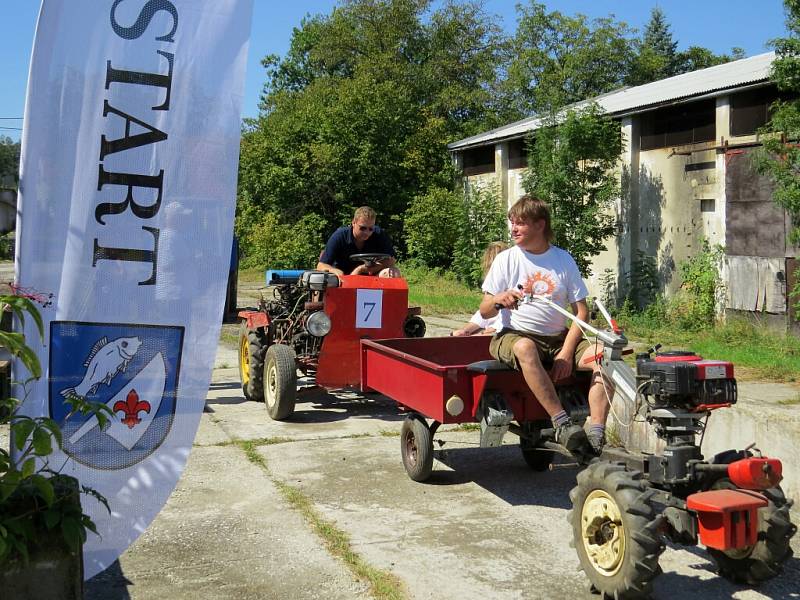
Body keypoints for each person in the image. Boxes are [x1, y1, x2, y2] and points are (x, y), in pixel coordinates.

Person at [479, 196, 613, 458]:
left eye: (520, 223)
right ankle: (561, 423)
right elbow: (484, 310)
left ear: (540, 225)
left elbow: (581, 312)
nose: (513, 229)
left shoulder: (563, 260)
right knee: (526, 347)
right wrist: (497, 300)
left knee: (606, 357)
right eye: (512, 223)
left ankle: (597, 433)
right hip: (513, 335)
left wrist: (566, 352)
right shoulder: (506, 259)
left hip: (557, 338)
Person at [316, 206, 400, 277]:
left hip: (371, 274)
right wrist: (333, 270)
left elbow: (390, 260)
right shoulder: (340, 236)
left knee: (393, 273)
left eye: (371, 229)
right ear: (353, 223)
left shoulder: (379, 234)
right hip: (342, 278)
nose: (367, 232)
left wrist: (360, 269)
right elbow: (321, 265)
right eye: (362, 228)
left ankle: (385, 297)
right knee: (321, 279)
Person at [452, 241, 508, 336]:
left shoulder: (513, 283)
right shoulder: (491, 284)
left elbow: (510, 314)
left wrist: (495, 327)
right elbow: (482, 315)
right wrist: (465, 330)